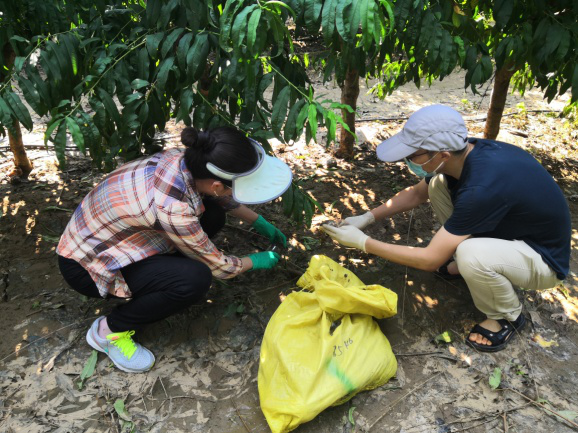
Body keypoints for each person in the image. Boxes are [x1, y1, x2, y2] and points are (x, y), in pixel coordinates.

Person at [323, 105, 570, 353]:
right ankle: (474, 265)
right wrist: (367, 217)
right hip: (513, 232)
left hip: (544, 260)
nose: (408, 161)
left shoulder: (480, 189)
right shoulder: (464, 155)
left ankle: (507, 317)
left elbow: (430, 260)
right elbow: (417, 194)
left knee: (471, 254)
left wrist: (363, 242)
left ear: (442, 155)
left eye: (413, 156)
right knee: (437, 185)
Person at [57, 126, 293, 372]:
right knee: (195, 279)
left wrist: (258, 221)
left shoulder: (186, 159)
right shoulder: (173, 208)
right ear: (217, 185)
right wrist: (255, 260)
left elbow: (218, 196)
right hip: (88, 266)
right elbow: (221, 268)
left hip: (112, 240)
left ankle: (165, 273)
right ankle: (109, 331)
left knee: (213, 214)